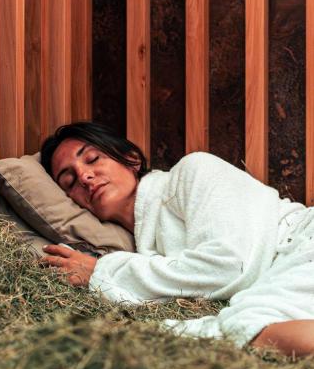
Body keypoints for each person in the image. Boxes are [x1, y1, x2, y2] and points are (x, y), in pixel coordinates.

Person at [40, 121, 314, 357]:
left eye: (92, 159)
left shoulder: (194, 170)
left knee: (244, 324)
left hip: (303, 241)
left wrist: (102, 271)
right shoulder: (145, 247)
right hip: (281, 272)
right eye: (69, 181)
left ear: (132, 159)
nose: (85, 176)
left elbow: (230, 264)